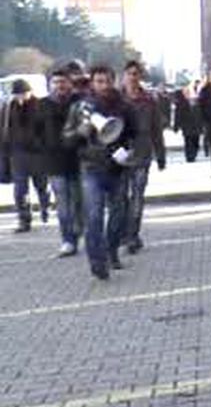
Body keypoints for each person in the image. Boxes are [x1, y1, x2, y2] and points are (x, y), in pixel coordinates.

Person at [63, 65, 137, 280]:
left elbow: (136, 133)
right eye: (99, 81)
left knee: (118, 215)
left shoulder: (123, 106)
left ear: (113, 81)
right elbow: (67, 139)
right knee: (93, 216)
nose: (103, 86)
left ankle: (111, 250)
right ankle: (97, 262)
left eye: (106, 81)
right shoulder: (80, 108)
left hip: (117, 167)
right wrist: (80, 132)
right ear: (92, 83)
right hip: (91, 168)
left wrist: (130, 152)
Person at [120, 61, 167, 254]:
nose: (132, 77)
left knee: (137, 196)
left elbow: (157, 129)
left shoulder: (148, 100)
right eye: (129, 73)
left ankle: (132, 235)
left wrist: (161, 154)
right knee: (120, 198)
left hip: (142, 153)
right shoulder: (116, 99)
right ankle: (124, 232)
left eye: (136, 74)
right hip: (120, 155)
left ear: (140, 77)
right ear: (124, 76)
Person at [42, 67, 82, 256]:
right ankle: (68, 240)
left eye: (63, 82)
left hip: (77, 160)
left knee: (78, 203)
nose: (60, 86)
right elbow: (35, 132)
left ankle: (78, 230)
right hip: (54, 162)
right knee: (63, 206)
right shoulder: (42, 105)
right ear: (50, 85)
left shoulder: (79, 103)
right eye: (56, 82)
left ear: (70, 84)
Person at [2, 79, 51, 232]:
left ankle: (45, 207)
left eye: (23, 94)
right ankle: (24, 220)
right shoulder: (8, 108)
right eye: (17, 95)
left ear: (30, 92)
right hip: (18, 153)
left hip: (38, 154)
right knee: (20, 190)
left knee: (41, 186)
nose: (20, 97)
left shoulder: (41, 106)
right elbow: (3, 128)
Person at [172, 84, 203, 163]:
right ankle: (189, 156)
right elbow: (177, 115)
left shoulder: (197, 102)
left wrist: (203, 125)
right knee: (188, 141)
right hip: (187, 126)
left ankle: (194, 154)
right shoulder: (181, 104)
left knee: (196, 141)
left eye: (188, 92)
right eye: (185, 92)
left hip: (196, 126)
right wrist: (176, 126)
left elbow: (201, 114)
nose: (187, 94)